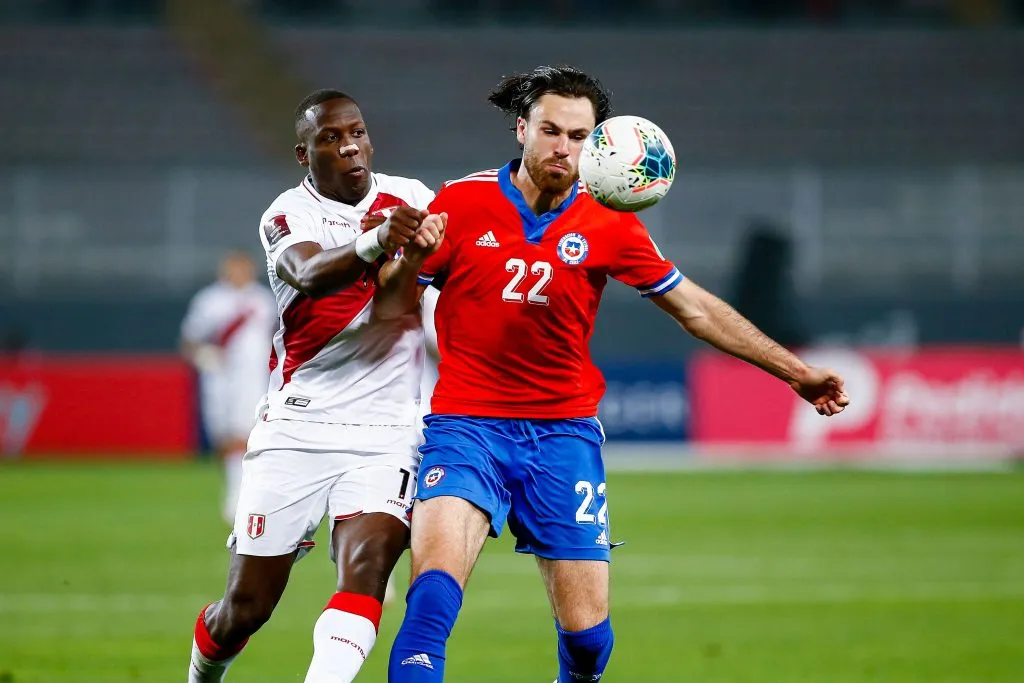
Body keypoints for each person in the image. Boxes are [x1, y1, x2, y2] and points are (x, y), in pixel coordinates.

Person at [376, 65, 851, 683]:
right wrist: (409, 257)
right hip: (467, 427)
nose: (563, 147)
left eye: (578, 135)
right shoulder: (460, 203)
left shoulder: (610, 221)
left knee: (589, 641)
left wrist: (795, 372)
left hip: (562, 436)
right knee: (432, 600)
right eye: (550, 130)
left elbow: (696, 311)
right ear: (521, 130)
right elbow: (389, 304)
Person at [186, 88, 444, 683]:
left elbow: (430, 285)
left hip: (387, 431)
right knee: (245, 609)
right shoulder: (286, 214)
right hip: (298, 427)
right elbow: (307, 273)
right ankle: (202, 673)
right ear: (304, 154)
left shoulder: (411, 197)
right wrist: (379, 241)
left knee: (368, 567)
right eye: (330, 138)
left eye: (357, 132)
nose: (350, 146)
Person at [180, 251, 278, 524]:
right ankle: (236, 488)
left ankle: (239, 497)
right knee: (222, 437)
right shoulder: (209, 300)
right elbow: (189, 340)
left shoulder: (263, 300)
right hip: (218, 376)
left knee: (244, 434)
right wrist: (202, 356)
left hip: (252, 377)